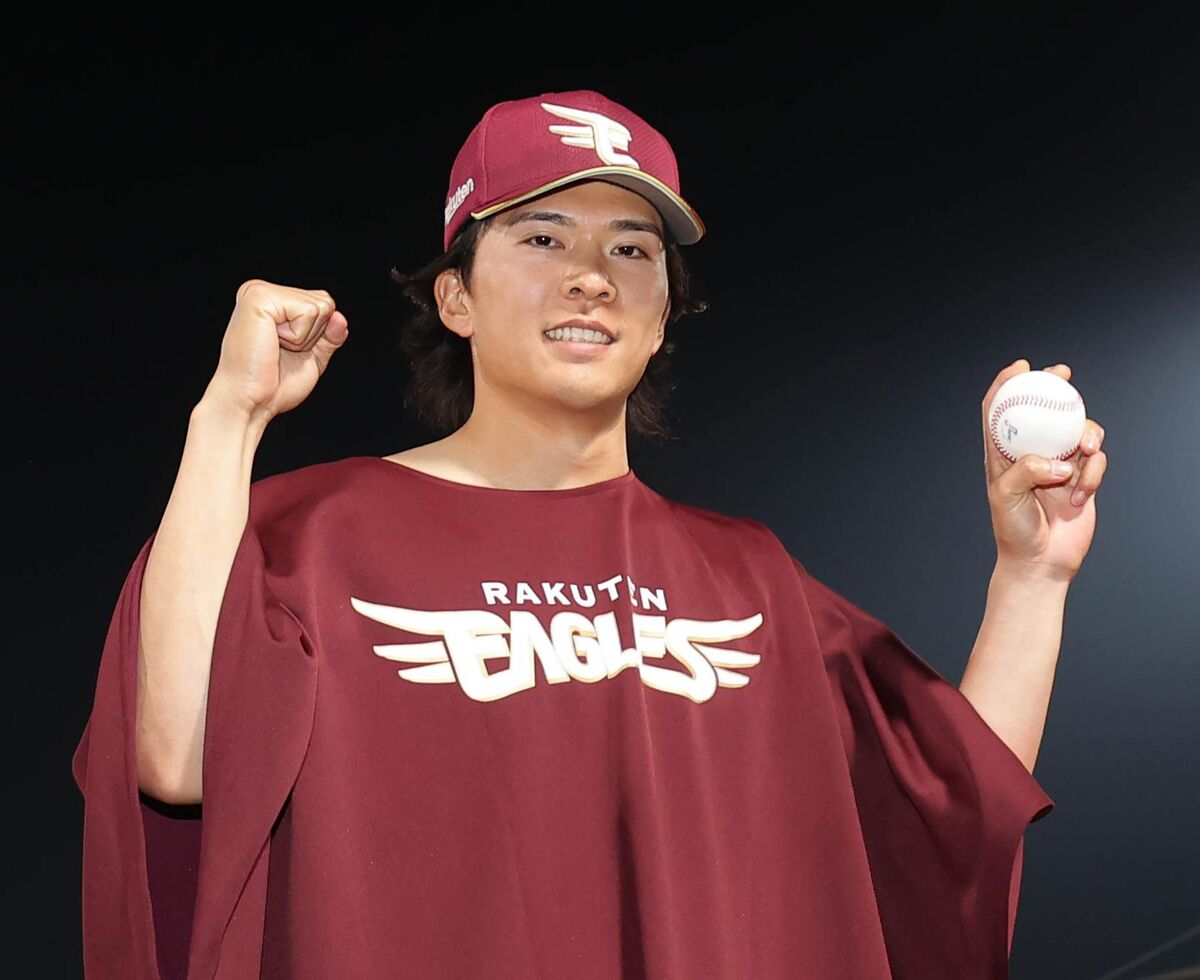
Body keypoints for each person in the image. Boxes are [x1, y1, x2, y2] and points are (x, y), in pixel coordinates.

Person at [73, 89, 1069, 979]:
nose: (592, 276)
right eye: (543, 238)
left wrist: (1034, 573)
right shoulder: (307, 534)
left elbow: (949, 815)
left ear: (665, 312)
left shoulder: (747, 575)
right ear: (455, 296)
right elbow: (177, 757)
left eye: (632, 249)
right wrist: (231, 414)